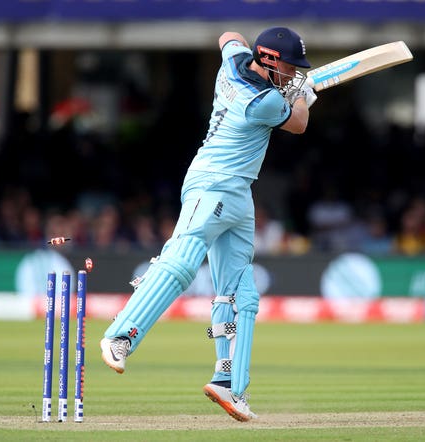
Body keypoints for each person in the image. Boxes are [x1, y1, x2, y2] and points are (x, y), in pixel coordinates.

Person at [100, 27, 315, 421]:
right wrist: (303, 92)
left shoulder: (233, 60)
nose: (295, 73)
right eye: (290, 66)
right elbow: (299, 123)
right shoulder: (261, 99)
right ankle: (121, 334)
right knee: (182, 262)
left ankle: (228, 382)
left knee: (240, 296)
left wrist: (294, 82)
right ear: (267, 60)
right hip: (213, 183)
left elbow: (228, 35)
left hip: (240, 192)